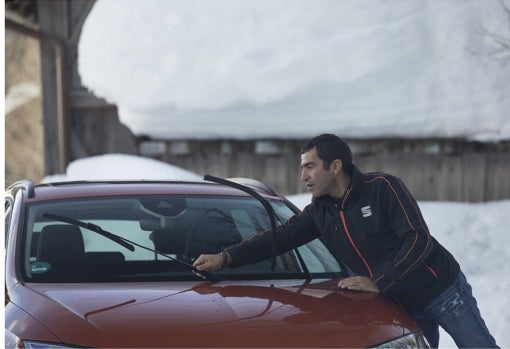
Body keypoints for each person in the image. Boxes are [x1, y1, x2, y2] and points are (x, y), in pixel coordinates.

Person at [193, 133, 498, 348]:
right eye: (303, 167)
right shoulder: (320, 212)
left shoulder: (383, 188)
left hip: (441, 292)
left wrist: (380, 280)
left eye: (309, 166)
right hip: (400, 304)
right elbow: (279, 238)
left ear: (335, 166)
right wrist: (226, 258)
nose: (303, 176)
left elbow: (418, 239)